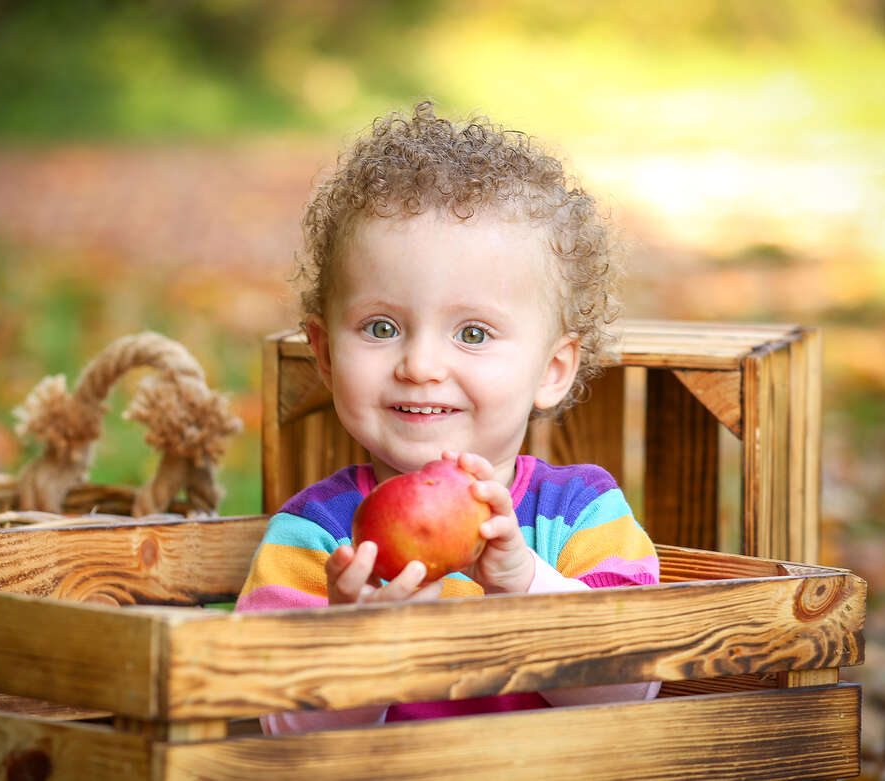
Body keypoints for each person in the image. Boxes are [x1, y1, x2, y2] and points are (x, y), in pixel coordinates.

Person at [236, 101, 660, 733]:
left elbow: (632, 689)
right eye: (382, 327)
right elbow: (276, 726)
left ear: (553, 369)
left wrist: (527, 587)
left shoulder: (578, 513)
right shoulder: (318, 536)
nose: (421, 364)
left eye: (473, 332)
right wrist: (363, 645)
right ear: (325, 353)